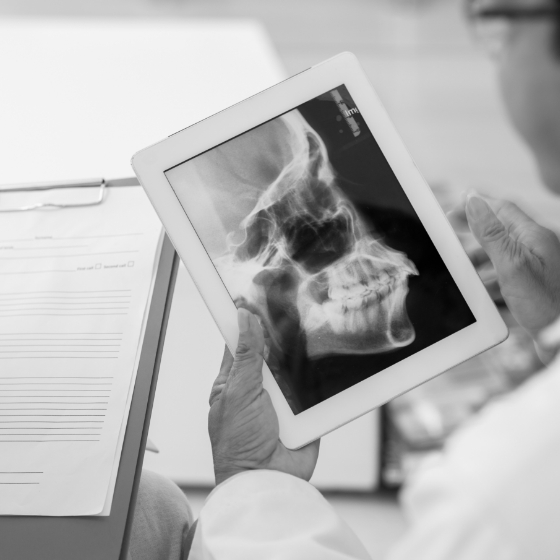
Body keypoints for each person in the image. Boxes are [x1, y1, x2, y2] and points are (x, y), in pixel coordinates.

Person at [129, 0, 560, 558]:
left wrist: (252, 479)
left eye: (496, 25)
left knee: (152, 512)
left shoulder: (499, 490)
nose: (332, 237)